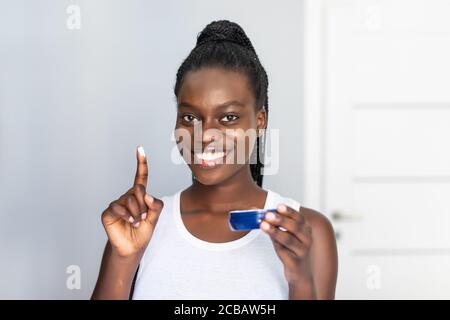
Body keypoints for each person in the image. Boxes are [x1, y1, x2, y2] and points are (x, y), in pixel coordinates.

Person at [92, 20, 337, 300]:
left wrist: (300, 280)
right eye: (190, 117)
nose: (205, 135)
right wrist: (122, 259)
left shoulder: (309, 232)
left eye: (228, 117)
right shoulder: (141, 228)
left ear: (260, 121)